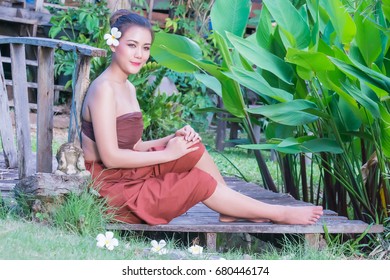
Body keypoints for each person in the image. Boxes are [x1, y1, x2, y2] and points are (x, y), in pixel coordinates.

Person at [81, 9, 323, 226]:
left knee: (191, 147)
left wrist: (172, 139)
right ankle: (277, 213)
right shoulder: (104, 89)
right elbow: (111, 158)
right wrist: (167, 153)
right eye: (131, 45)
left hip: (124, 174)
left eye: (145, 48)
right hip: (111, 188)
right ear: (114, 44)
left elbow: (133, 147)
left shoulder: (128, 88)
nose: (139, 55)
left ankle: (231, 208)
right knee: (198, 180)